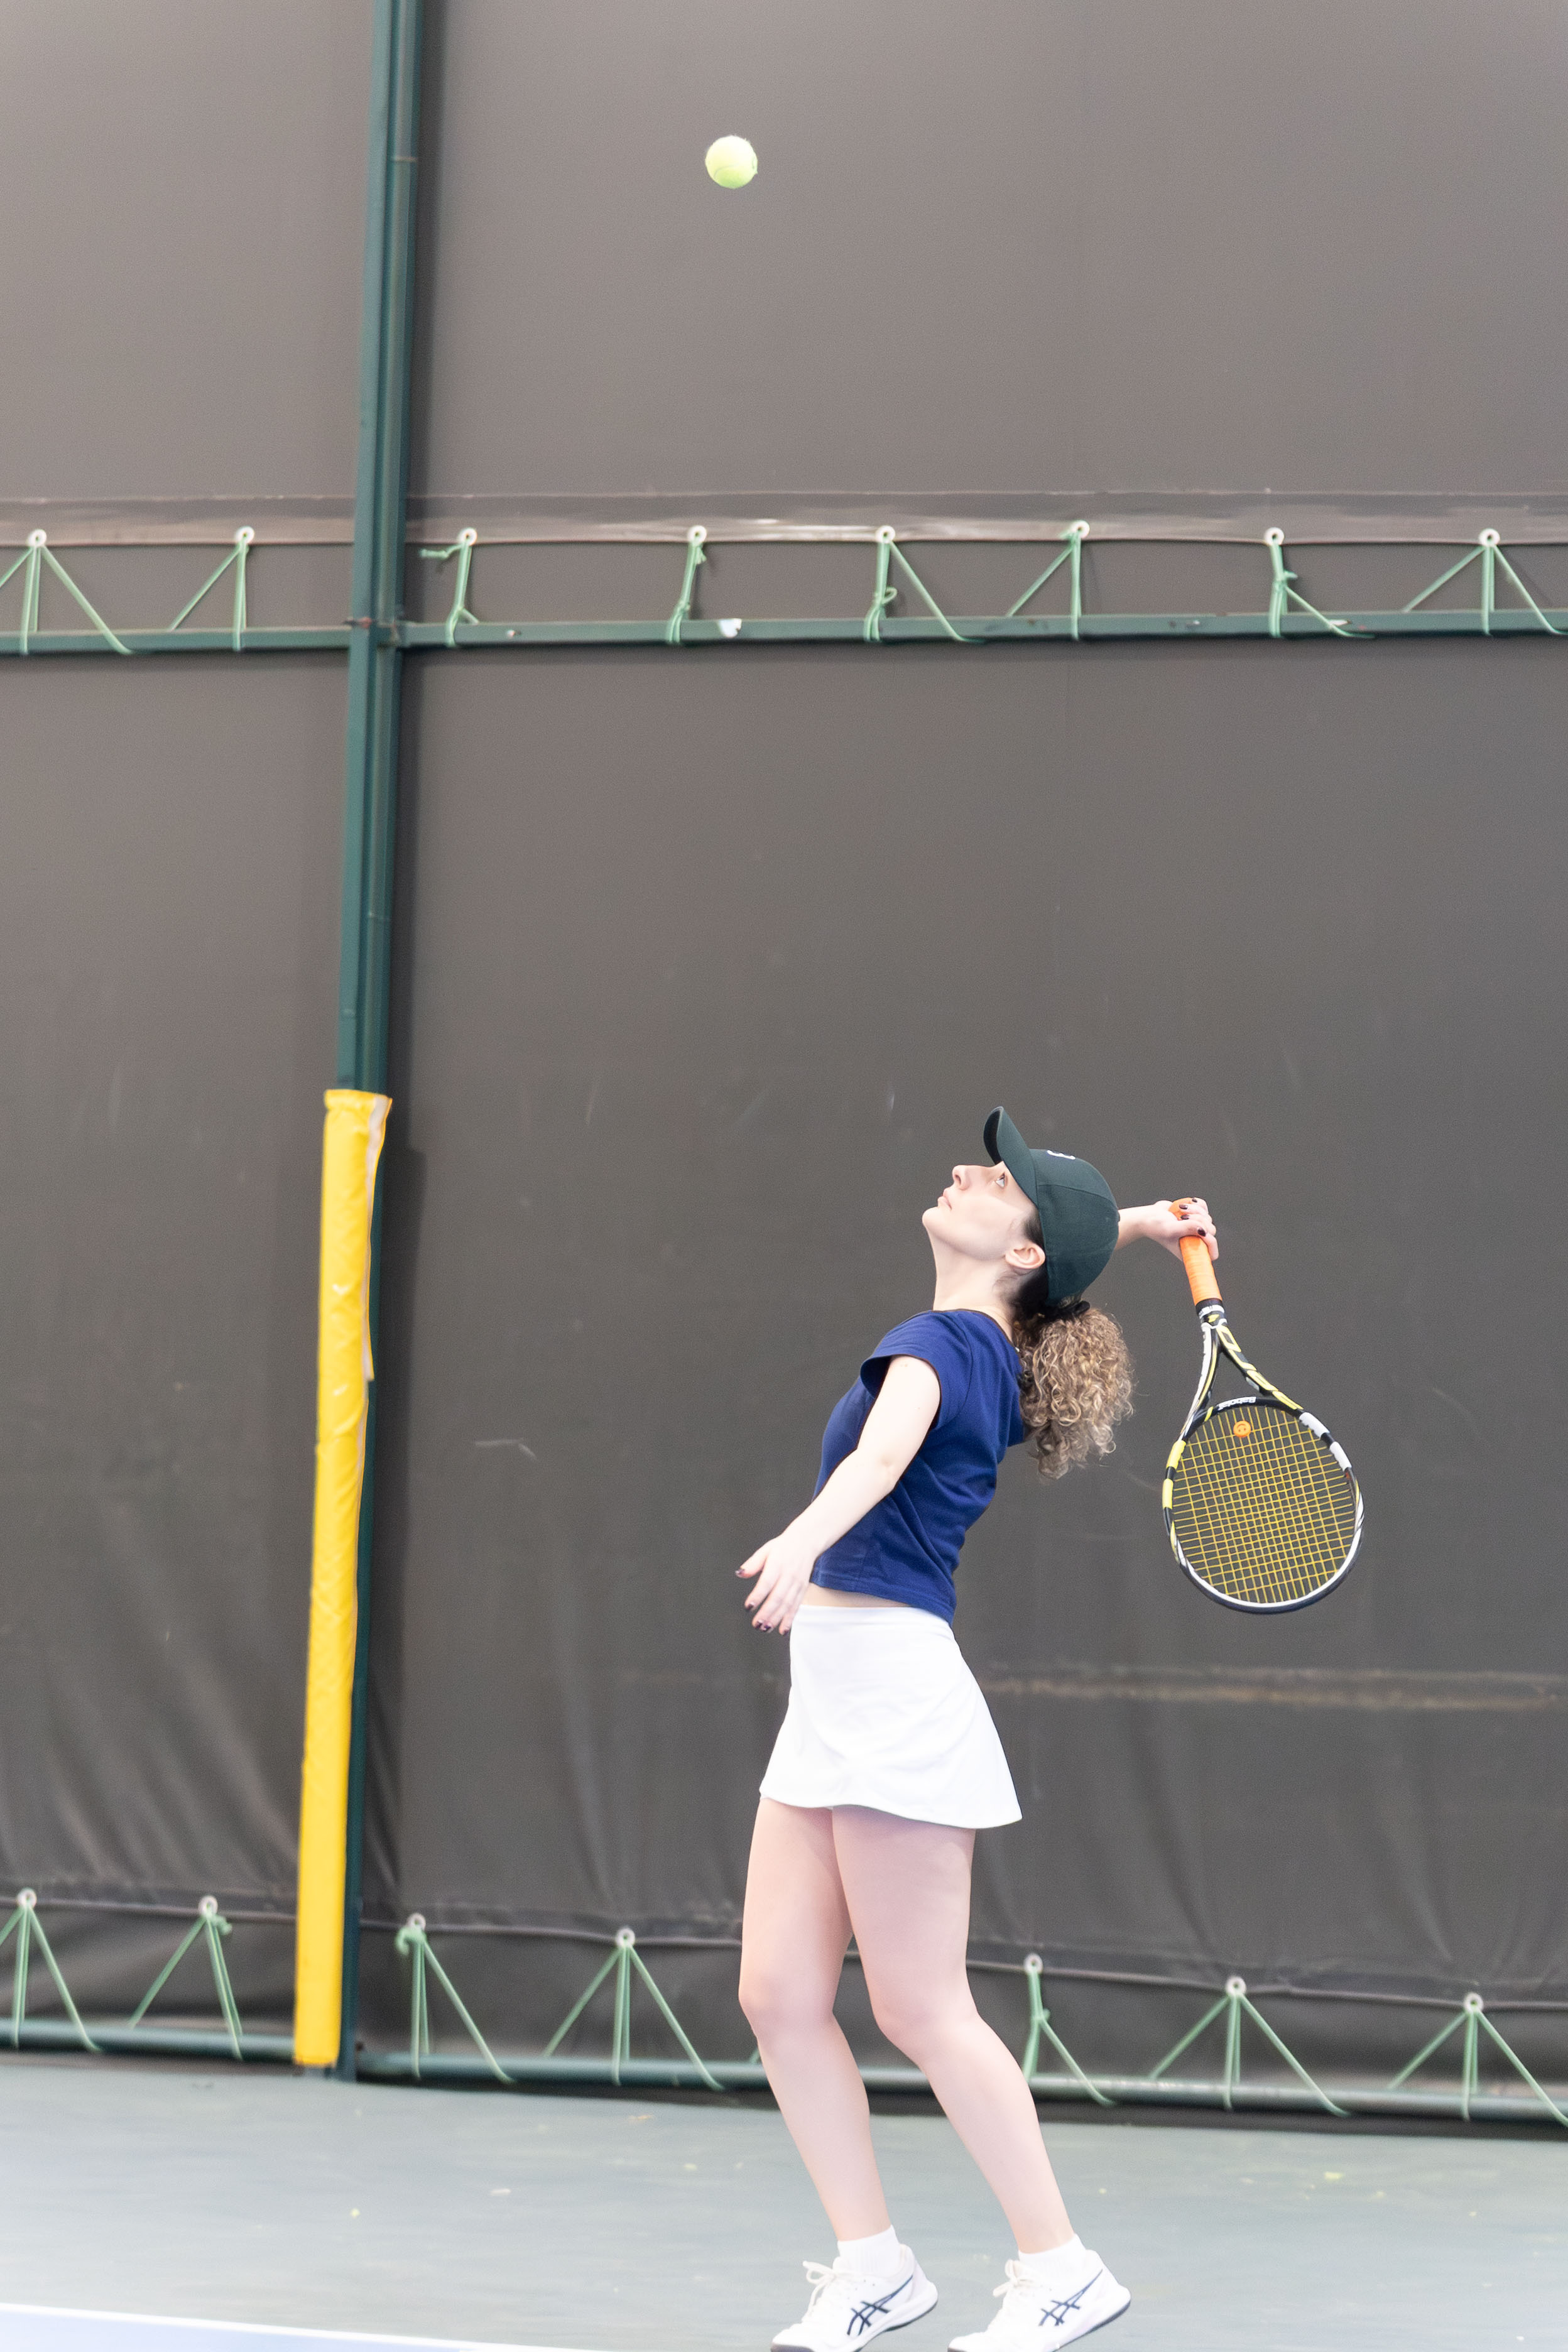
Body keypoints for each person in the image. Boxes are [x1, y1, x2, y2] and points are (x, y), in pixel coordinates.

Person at [736, 1108, 1217, 2352]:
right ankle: (874, 2269)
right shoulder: (1002, 1346)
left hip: (892, 1698)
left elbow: (878, 1459)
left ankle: (1063, 2270)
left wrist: (799, 1538)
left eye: (1000, 1181)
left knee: (922, 2009)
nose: (968, 1171)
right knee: (779, 1995)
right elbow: (1057, 1257)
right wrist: (1140, 1223)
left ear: (1021, 1253)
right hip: (834, 1700)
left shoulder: (944, 1344)